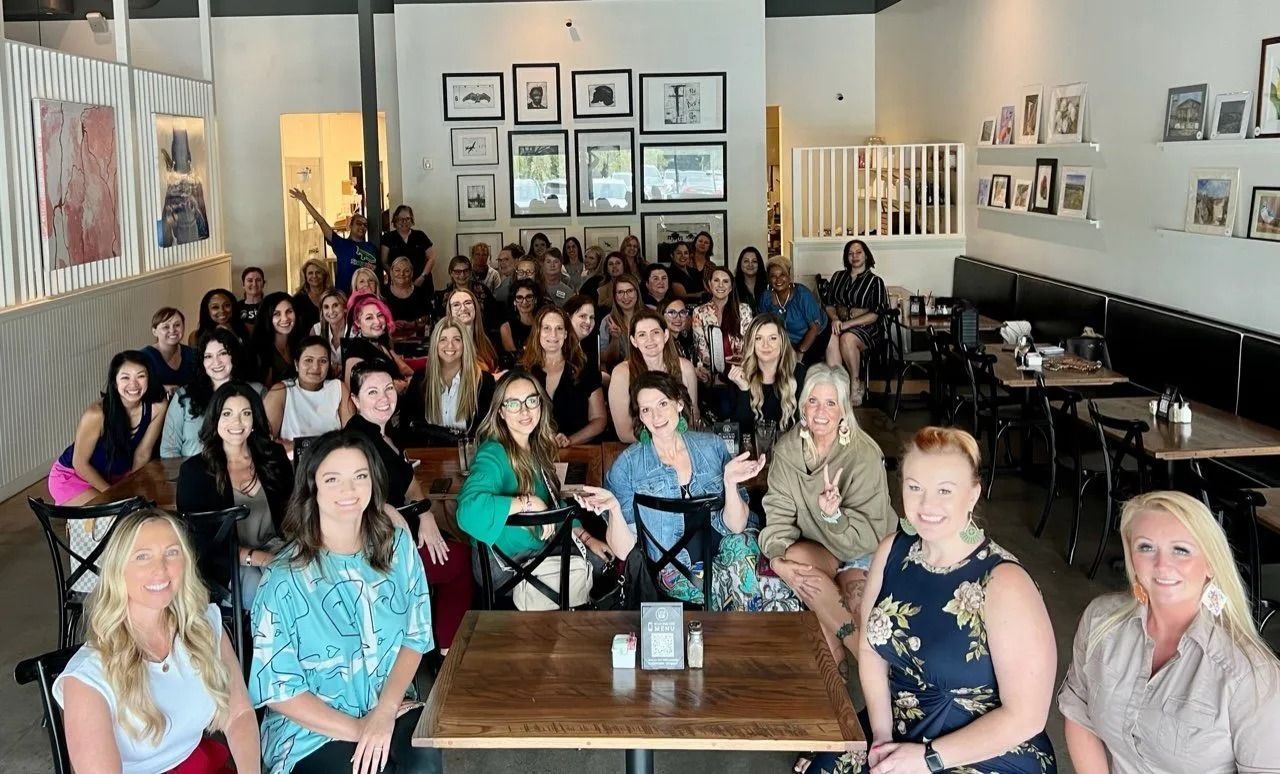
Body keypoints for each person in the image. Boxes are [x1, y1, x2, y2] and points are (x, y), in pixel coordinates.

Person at [851, 426, 1057, 774]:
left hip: (983, 751)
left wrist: (926, 759)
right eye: (914, 487)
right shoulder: (892, 551)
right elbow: (870, 649)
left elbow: (1027, 717)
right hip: (898, 726)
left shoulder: (1004, 582)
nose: (927, 504)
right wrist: (881, 735)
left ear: (973, 495)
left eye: (945, 490)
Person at [249, 430, 440, 774]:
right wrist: (361, 729)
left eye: (360, 476)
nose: (349, 490)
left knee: (423, 758)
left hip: (391, 704)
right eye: (332, 479)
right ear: (312, 487)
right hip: (312, 730)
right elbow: (278, 690)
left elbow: (416, 635)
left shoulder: (396, 546)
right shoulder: (283, 578)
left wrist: (383, 713)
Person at [1058, 490, 1280, 773]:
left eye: (1181, 550)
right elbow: (1078, 710)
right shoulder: (1101, 621)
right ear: (1131, 557)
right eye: (1146, 547)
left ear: (1211, 564)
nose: (1162, 565)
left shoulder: (1252, 676)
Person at [54, 509, 260, 774]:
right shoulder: (87, 679)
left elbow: (239, 714)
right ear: (118, 570)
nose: (161, 569)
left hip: (201, 764)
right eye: (142, 556)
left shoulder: (203, 627)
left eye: (172, 552)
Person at [591, 372, 773, 610]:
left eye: (662, 404)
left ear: (678, 403)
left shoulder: (713, 447)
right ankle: (749, 624)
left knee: (745, 553)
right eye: (646, 410)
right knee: (750, 588)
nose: (656, 416)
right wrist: (615, 510)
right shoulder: (628, 465)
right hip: (674, 567)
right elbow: (624, 550)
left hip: (725, 549)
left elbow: (736, 526)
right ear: (641, 417)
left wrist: (730, 483)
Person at [760, 365, 895, 660]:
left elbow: (869, 538)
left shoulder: (864, 454)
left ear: (844, 410)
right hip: (822, 548)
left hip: (862, 549)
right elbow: (778, 514)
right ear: (803, 407)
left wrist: (834, 516)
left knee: (843, 614)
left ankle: (855, 664)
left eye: (831, 403)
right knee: (794, 558)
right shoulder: (787, 451)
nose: (820, 412)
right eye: (813, 401)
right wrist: (777, 559)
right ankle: (863, 662)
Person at [346, 362, 473, 656]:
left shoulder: (385, 433)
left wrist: (425, 511)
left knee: (459, 541)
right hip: (378, 547)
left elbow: (410, 482)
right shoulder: (355, 441)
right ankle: (447, 654)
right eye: (372, 392)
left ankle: (439, 644)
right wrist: (398, 513)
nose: (384, 398)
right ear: (355, 400)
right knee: (460, 561)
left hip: (404, 531)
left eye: (388, 389)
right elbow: (355, 496)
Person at [457, 371, 610, 588]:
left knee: (603, 563)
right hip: (505, 565)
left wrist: (586, 538)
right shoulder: (493, 453)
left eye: (531, 400)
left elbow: (554, 503)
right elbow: (467, 512)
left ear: (540, 404)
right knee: (594, 574)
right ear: (501, 412)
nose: (524, 410)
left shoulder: (536, 445)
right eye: (513, 404)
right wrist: (527, 502)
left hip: (537, 550)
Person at [176, 383, 292, 607]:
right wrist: (256, 557)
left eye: (245, 413)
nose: (237, 423)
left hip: (277, 549)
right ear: (215, 419)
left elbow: (293, 511)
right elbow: (197, 541)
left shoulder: (274, 457)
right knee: (270, 592)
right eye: (227, 414)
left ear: (254, 419)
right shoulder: (195, 471)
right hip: (228, 562)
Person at [49, 351, 168, 508]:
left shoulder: (158, 407)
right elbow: (80, 463)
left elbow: (142, 454)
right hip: (75, 476)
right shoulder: (96, 414)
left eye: (140, 376)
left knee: (144, 508)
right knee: (117, 512)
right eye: (125, 377)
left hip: (117, 476)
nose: (133, 384)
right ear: (114, 381)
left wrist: (130, 489)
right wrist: (115, 495)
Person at [161, 328, 259, 458]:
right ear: (202, 361)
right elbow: (168, 450)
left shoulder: (256, 392)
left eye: (223, 353)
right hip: (190, 468)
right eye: (208, 356)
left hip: (242, 468)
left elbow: (264, 442)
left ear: (234, 356)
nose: (216, 362)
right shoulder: (184, 397)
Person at [608, 309, 700, 444]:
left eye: (655, 332)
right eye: (642, 335)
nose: (650, 340)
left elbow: (693, 417)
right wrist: (663, 441)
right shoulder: (622, 373)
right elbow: (624, 433)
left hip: (681, 445)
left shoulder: (685, 368)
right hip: (642, 447)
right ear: (634, 341)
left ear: (666, 335)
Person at [522, 306, 607, 446]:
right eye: (547, 328)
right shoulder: (523, 371)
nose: (553, 335)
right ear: (537, 332)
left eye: (559, 328)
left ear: (566, 334)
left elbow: (599, 419)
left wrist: (569, 440)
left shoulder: (585, 368)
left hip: (577, 450)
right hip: (532, 450)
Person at [824, 239, 887, 406]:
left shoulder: (875, 281)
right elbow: (828, 304)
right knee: (832, 336)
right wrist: (835, 318)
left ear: (866, 255)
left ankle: (855, 383)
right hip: (840, 323)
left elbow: (875, 314)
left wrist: (848, 324)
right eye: (850, 253)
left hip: (868, 328)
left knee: (847, 338)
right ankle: (837, 386)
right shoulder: (838, 277)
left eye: (859, 252)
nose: (855, 256)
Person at [264, 335, 353, 451]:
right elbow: (266, 442)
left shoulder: (338, 388)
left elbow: (351, 438)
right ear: (296, 364)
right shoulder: (281, 391)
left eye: (323, 361)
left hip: (334, 459)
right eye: (309, 360)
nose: (316, 367)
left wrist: (295, 445)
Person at [415, 318, 496, 437]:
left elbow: (488, 431)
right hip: (426, 449)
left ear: (464, 344)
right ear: (435, 345)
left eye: (456, 339)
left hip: (470, 449)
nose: (450, 345)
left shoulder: (484, 381)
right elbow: (411, 427)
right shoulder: (420, 378)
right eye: (443, 339)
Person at [728, 314, 806, 436]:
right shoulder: (740, 377)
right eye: (758, 338)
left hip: (789, 447)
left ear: (782, 342)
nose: (765, 345)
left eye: (772, 338)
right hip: (754, 447)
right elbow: (740, 432)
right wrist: (744, 390)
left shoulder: (799, 374)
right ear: (752, 343)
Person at [289, 188, 377, 293]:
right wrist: (305, 201)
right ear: (350, 225)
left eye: (365, 225)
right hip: (343, 296)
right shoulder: (341, 244)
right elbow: (321, 221)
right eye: (359, 223)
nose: (362, 227)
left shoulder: (371, 247)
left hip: (366, 296)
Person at [693, 267, 753, 417]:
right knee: (723, 408)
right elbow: (701, 349)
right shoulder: (699, 312)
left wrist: (737, 368)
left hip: (741, 372)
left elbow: (749, 344)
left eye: (725, 281)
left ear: (731, 287)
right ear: (709, 284)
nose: (721, 285)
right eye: (716, 280)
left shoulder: (744, 310)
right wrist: (716, 369)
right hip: (714, 377)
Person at [758, 255, 829, 366]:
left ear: (789, 276)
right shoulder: (766, 297)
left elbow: (815, 328)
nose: (778, 279)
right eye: (773, 276)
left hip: (815, 337)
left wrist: (799, 353)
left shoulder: (802, 294)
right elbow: (763, 326)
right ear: (769, 279)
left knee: (801, 370)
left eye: (782, 274)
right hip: (788, 343)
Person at [343, 292, 415, 393]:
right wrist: (392, 385)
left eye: (380, 315)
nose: (377, 322)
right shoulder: (355, 348)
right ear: (358, 323)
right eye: (369, 318)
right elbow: (352, 390)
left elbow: (404, 369)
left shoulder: (381, 343)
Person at [248, 292, 302, 388]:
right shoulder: (260, 352)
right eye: (277, 314)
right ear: (267, 317)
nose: (285, 318)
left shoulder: (300, 344)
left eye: (289, 311)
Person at [441, 286, 500, 373]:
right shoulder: (449, 346)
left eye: (468, 303)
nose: (463, 308)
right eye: (456, 305)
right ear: (450, 311)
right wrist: (494, 377)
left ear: (475, 307)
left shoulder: (485, 341)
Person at [140, 307, 197, 394]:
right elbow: (138, 386)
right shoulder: (144, 357)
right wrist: (162, 388)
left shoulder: (192, 353)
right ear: (154, 332)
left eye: (177, 325)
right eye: (166, 327)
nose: (172, 330)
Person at [381, 204, 437, 292]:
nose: (404, 222)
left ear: (411, 220)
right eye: (400, 219)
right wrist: (395, 277)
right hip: (397, 285)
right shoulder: (388, 238)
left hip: (421, 283)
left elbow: (432, 258)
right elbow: (384, 261)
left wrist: (422, 276)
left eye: (407, 219)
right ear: (395, 220)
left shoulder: (420, 235)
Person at [599, 273, 641, 371]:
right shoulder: (607, 321)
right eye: (620, 292)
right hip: (620, 372)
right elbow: (606, 359)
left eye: (630, 291)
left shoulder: (650, 315)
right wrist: (615, 339)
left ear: (637, 292)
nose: (625, 297)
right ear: (615, 296)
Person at [384, 255, 432, 336]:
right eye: (397, 270)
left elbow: (427, 317)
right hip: (388, 338)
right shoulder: (383, 293)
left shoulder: (420, 293)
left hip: (416, 339)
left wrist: (412, 324)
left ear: (412, 273)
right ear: (391, 273)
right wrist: (391, 324)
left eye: (406, 271)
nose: (401, 274)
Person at [309, 287, 350, 374]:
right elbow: (311, 361)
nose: (331, 311)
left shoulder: (355, 330)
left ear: (345, 308)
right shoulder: (316, 330)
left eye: (335, 305)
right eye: (326, 307)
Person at [500, 278, 541, 361]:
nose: (524, 302)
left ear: (535, 300)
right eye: (519, 297)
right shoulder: (506, 328)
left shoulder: (543, 324)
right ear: (514, 301)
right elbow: (514, 359)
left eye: (529, 297)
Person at [291, 258, 333, 336]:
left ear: (324, 274)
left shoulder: (333, 295)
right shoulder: (297, 299)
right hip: (306, 341)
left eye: (318, 272)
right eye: (310, 273)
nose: (314, 276)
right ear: (305, 277)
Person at [565, 295, 602, 377]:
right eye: (582, 316)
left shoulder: (581, 346)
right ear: (568, 317)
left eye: (591, 317)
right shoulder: (563, 348)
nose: (588, 322)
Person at [658, 297, 695, 361]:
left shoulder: (685, 340)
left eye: (682, 312)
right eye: (672, 313)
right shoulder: (660, 344)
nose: (678, 318)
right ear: (661, 315)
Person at [237, 266, 265, 333]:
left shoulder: (270, 305)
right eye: (250, 280)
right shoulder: (236, 307)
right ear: (243, 285)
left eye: (258, 280)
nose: (254, 284)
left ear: (263, 284)